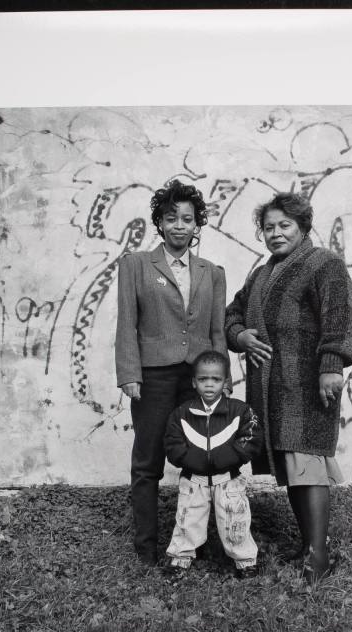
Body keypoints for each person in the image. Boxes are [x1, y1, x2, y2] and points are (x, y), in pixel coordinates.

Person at [224, 192, 352, 582]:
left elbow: (341, 316)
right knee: (292, 464)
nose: (276, 233)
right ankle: (307, 543)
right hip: (272, 389)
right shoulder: (263, 273)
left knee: (309, 462)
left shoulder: (324, 264)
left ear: (303, 227)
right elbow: (233, 312)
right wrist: (241, 336)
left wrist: (331, 367)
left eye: (285, 225)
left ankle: (318, 556)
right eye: (269, 227)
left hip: (307, 384)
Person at [115, 180, 229, 566]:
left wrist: (220, 378)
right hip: (154, 375)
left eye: (188, 219)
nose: (179, 225)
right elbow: (127, 324)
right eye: (171, 218)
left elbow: (216, 331)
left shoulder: (212, 272)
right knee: (148, 461)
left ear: (198, 225)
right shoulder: (135, 264)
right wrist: (129, 373)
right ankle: (146, 546)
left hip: (198, 378)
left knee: (201, 460)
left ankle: (192, 543)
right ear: (159, 223)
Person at [163, 350, 262, 578]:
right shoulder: (182, 414)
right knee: (188, 519)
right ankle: (181, 558)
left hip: (228, 480)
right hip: (194, 481)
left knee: (235, 521)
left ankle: (245, 561)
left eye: (216, 380)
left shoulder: (240, 411)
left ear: (225, 381)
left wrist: (228, 457)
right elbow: (172, 442)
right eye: (203, 379)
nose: (209, 385)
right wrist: (189, 459)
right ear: (193, 382)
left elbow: (253, 437)